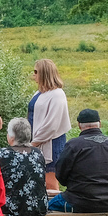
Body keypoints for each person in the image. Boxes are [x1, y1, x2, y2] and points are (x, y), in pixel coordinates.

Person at [50, 109, 108, 213]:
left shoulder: (74, 145)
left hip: (78, 202)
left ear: (79, 125)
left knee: (47, 206)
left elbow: (60, 175)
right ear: (100, 124)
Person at [27, 59, 71, 191]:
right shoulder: (39, 92)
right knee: (38, 179)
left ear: (44, 73)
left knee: (50, 182)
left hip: (50, 142)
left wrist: (34, 142)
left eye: (36, 72)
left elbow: (52, 124)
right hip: (36, 140)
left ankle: (54, 210)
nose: (33, 75)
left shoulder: (57, 94)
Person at [0, 117, 49, 216]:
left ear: (11, 137)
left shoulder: (2, 154)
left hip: (11, 209)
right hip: (38, 207)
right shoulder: (38, 153)